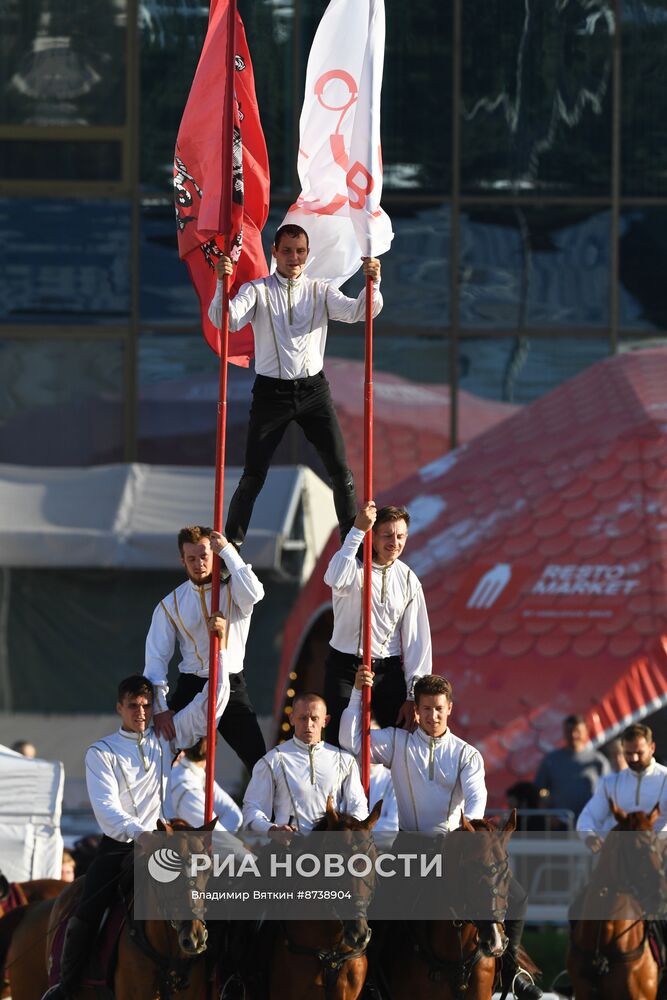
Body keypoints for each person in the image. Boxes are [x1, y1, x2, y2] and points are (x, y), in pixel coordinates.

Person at [340, 669, 542, 1000]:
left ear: (449, 708)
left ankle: (511, 970)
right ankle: (371, 980)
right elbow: (351, 741)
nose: (433, 715)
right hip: (409, 846)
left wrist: (472, 832)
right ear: (415, 710)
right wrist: (360, 693)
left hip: (454, 847)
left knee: (516, 897)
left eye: (439, 708)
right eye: (426, 708)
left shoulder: (467, 755)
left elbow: (476, 801)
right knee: (377, 901)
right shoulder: (397, 742)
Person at [42, 666, 229, 1000]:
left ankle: (227, 981)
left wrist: (223, 656)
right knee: (88, 907)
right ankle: (67, 986)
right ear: (119, 708)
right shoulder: (101, 752)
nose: (140, 712)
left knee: (216, 899)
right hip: (122, 845)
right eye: (133, 705)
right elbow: (107, 808)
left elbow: (208, 710)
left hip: (169, 846)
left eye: (146, 705)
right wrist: (143, 834)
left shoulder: (166, 740)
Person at [209, 224, 382, 548]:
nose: (294, 257)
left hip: (313, 391)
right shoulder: (257, 289)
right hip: (270, 393)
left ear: (308, 253)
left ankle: (351, 544)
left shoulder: (320, 289)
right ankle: (230, 550)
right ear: (274, 252)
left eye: (300, 251)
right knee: (253, 476)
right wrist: (223, 283)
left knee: (340, 472)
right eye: (287, 250)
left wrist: (372, 282)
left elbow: (360, 311)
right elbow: (226, 320)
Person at [145, 524, 265, 773]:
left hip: (231, 686)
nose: (198, 563)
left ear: (214, 555)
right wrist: (161, 708)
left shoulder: (235, 590)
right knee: (155, 754)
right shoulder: (171, 604)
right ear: (182, 561)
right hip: (192, 685)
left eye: (204, 556)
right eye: (191, 558)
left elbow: (256, 594)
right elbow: (155, 659)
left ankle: (267, 812)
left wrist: (229, 552)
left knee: (261, 764)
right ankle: (150, 810)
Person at [323, 501, 432, 745]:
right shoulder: (353, 567)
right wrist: (357, 531)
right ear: (373, 537)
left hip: (387, 670)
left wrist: (413, 694)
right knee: (337, 743)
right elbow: (333, 577)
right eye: (387, 535)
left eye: (401, 536)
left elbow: (417, 641)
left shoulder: (408, 580)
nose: (395, 542)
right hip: (346, 666)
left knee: (405, 742)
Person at [242, 692, 367, 834]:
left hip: (333, 848)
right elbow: (251, 809)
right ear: (291, 718)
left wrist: (347, 830)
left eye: (314, 718)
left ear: (325, 721)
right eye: (302, 718)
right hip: (289, 847)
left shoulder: (345, 760)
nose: (308, 724)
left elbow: (358, 806)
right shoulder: (272, 760)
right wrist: (272, 829)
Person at [577, 723, 667, 851]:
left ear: (652, 748)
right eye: (628, 753)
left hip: (659, 853)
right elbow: (589, 816)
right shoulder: (610, 782)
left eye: (639, 753)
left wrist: (662, 838)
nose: (634, 758)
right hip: (619, 853)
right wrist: (590, 836)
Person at [534, 715, 610, 823]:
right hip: (559, 826)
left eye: (577, 731)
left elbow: (608, 795)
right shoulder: (551, 760)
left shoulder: (598, 761)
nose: (573, 735)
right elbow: (540, 791)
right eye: (569, 731)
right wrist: (547, 815)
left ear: (586, 732)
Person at [167, 737, 242, 833]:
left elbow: (233, 816)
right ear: (213, 747)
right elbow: (216, 837)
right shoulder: (185, 788)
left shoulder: (198, 775)